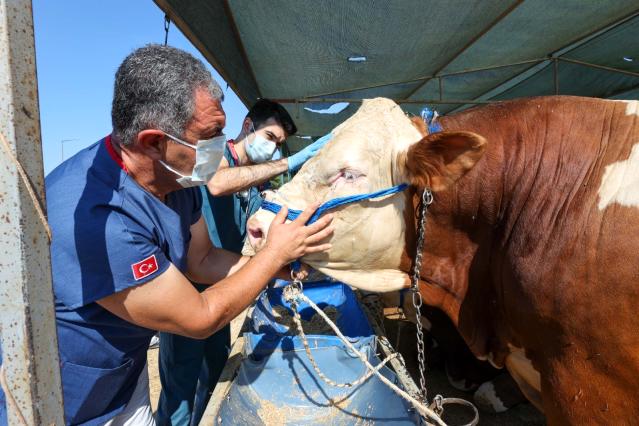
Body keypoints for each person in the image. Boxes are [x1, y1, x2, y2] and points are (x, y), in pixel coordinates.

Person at [44, 44, 333, 425]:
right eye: (210, 135)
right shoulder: (101, 218)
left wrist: (277, 269)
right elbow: (198, 317)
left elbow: (202, 260)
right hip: (71, 398)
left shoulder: (178, 180)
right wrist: (272, 256)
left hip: (122, 378)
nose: (219, 146)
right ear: (154, 142)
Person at [157, 99, 330, 424]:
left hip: (222, 290)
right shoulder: (211, 151)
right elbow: (218, 183)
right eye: (271, 137)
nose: (274, 148)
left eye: (280, 145)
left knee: (215, 377)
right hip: (185, 292)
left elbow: (259, 228)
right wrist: (290, 161)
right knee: (180, 388)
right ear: (248, 125)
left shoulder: (255, 184)